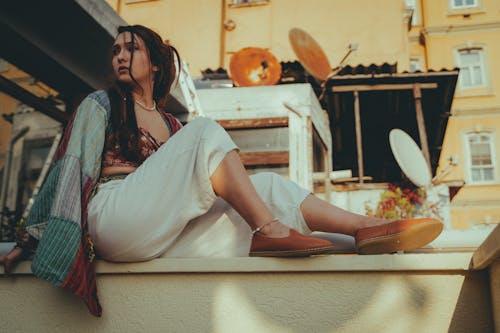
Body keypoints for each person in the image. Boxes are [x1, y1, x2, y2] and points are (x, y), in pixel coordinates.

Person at [0, 25, 443, 316]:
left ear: (154, 62)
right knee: (208, 130)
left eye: (130, 48)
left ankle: (364, 234)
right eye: (115, 49)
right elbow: (69, 171)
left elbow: (189, 191)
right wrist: (28, 241)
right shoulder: (100, 106)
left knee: (268, 184)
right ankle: (269, 229)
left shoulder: (173, 126)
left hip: (162, 237)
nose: (119, 55)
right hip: (112, 218)